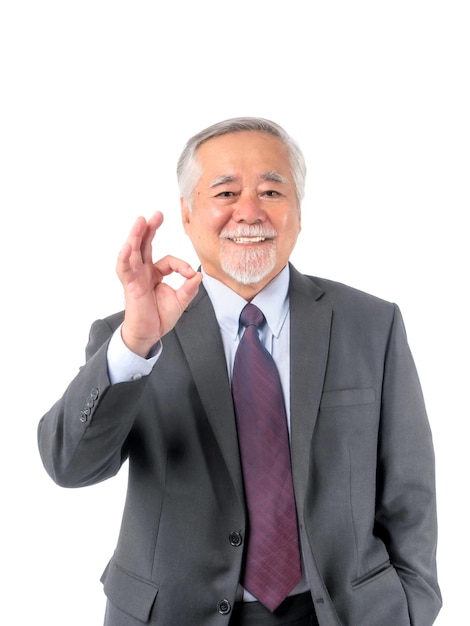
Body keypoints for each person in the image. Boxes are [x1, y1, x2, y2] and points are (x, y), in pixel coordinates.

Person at [38, 117, 442, 626]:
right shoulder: (133, 334)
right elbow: (69, 467)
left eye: (272, 191)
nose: (249, 212)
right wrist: (135, 345)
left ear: (298, 211)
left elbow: (410, 493)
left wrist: (412, 608)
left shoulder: (371, 324)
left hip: (344, 612)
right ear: (187, 214)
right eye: (225, 192)